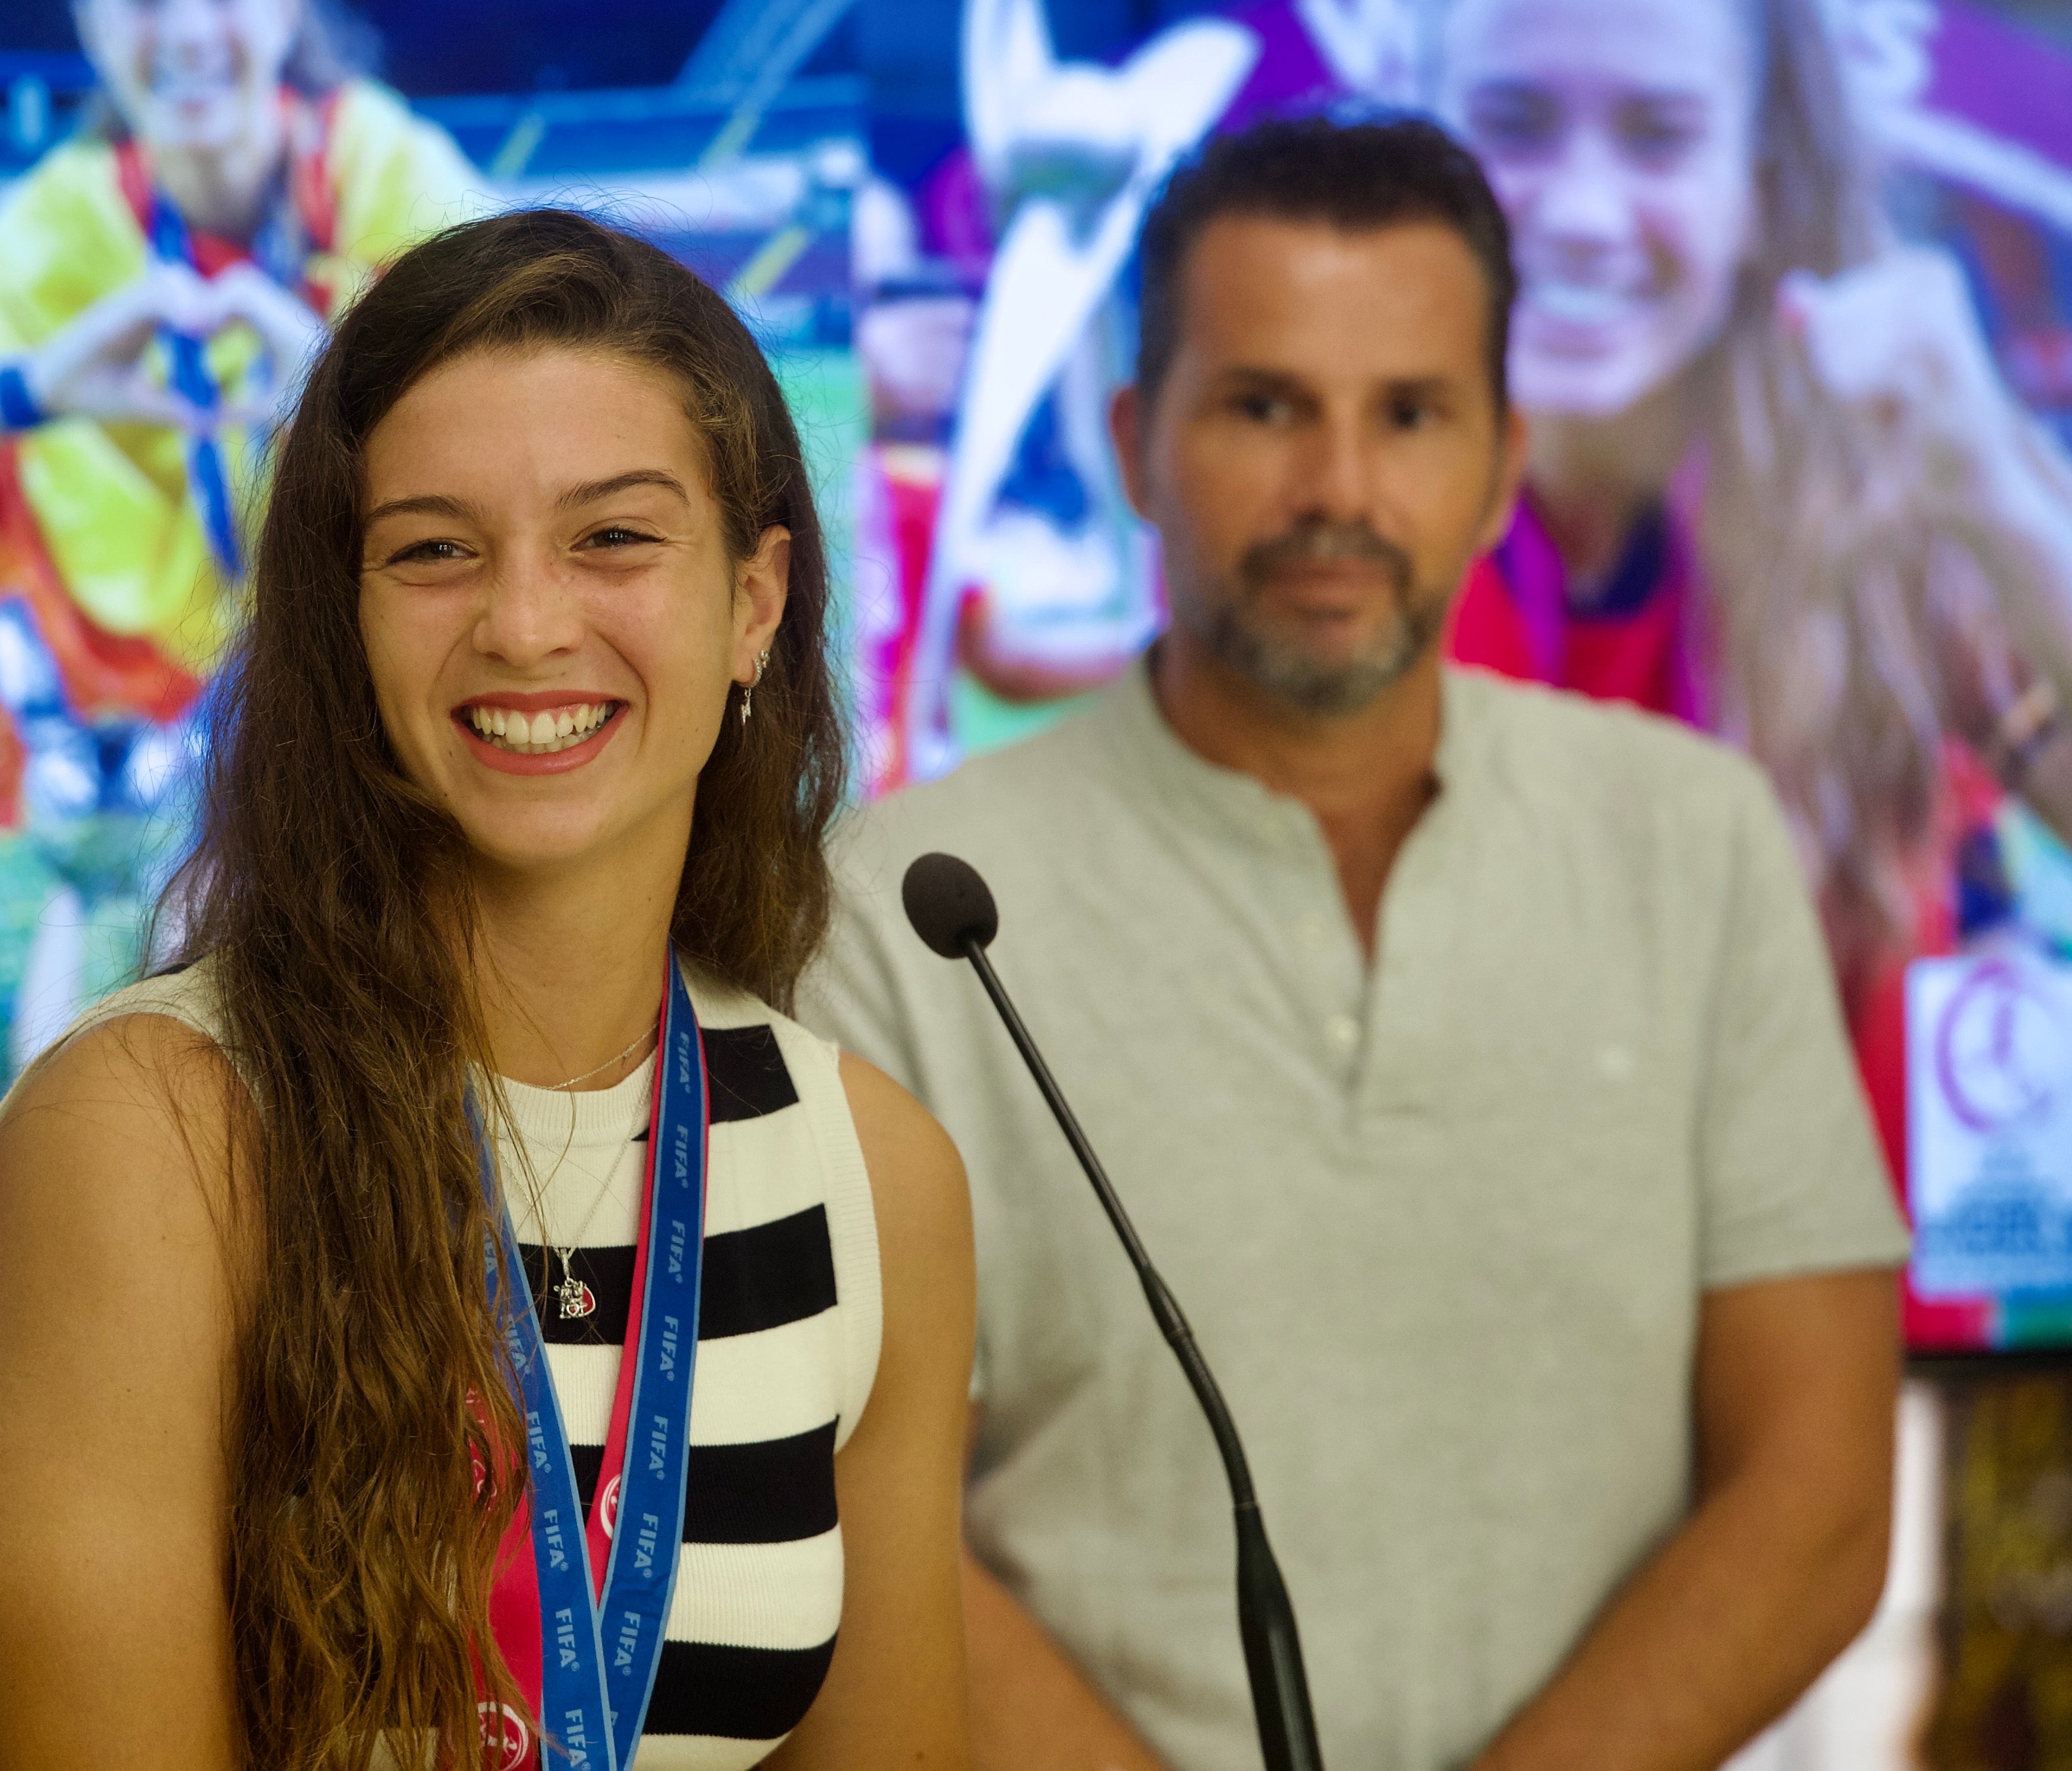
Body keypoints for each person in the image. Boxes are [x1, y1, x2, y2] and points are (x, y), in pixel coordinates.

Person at [810, 116, 1909, 1771]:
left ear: (1495, 462)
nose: (1335, 490)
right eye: (1261, 406)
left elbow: (1815, 1498)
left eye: (1407, 414)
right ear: (1130, 441)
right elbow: (846, 1519)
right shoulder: (901, 901)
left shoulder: (1694, 838)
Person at [0, 210, 976, 1771]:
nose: (525, 621)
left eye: (612, 536)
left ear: (754, 601)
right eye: (433, 548)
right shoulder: (146, 1138)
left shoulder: (867, 1174)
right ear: (344, 624)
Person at [1421, 0, 2072, 1344]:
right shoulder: (1347, 530)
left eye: (1659, 136)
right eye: (1511, 125)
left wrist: (2001, 495)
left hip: (1861, 1422)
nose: (1583, 213)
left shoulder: (1884, 509)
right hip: (1473, 1427)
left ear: (1757, 184)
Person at [0, 0, 488, 1059]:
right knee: (127, 977)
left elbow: (535, 442)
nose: (190, 29)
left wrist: (333, 380)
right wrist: (32, 389)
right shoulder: (64, 228)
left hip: (358, 664)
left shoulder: (384, 173)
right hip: (142, 698)